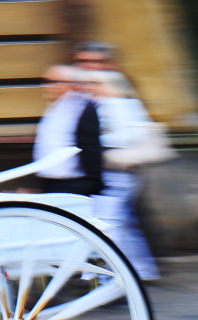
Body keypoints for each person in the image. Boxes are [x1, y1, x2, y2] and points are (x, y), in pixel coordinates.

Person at [89, 69, 162, 282]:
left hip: (118, 170)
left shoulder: (116, 104)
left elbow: (127, 137)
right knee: (125, 223)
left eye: (96, 83)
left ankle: (113, 275)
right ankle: (143, 269)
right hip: (125, 172)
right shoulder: (125, 104)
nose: (91, 87)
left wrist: (98, 139)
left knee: (112, 224)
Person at [30, 64, 105, 196]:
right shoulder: (54, 109)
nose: (46, 86)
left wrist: (88, 186)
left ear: (69, 84)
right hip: (50, 184)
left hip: (73, 186)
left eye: (52, 82)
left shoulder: (82, 109)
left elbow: (91, 151)